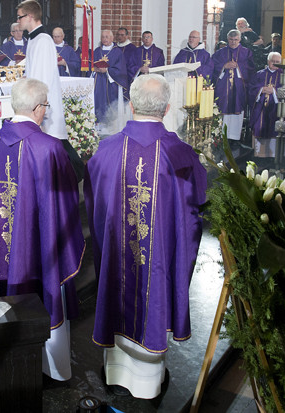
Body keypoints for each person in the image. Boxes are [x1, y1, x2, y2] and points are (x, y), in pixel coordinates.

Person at [85, 74, 206, 400]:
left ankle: (116, 373)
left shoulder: (106, 150)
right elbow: (194, 217)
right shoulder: (180, 154)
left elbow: (94, 207)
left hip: (117, 261)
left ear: (131, 105)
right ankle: (150, 381)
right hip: (157, 265)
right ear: (167, 109)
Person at [0, 78, 85, 381]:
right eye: (45, 106)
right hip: (37, 248)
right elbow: (65, 201)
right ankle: (50, 366)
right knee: (43, 283)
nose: (45, 112)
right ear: (37, 109)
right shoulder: (48, 147)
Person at [17, 0, 68, 141]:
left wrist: (38, 109)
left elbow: (43, 80)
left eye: (20, 16)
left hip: (42, 107)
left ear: (30, 17)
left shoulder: (43, 40)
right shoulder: (33, 40)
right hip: (35, 104)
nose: (18, 21)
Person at [211, 29, 255, 143]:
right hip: (223, 88)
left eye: (235, 39)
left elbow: (251, 68)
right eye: (231, 39)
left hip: (239, 87)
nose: (233, 42)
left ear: (239, 39)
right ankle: (220, 137)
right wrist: (224, 66)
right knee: (223, 111)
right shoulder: (220, 52)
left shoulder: (246, 52)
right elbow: (213, 65)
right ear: (227, 39)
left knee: (237, 110)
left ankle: (235, 138)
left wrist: (238, 66)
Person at [249, 52, 285, 159]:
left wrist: (275, 91)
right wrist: (261, 90)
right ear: (268, 61)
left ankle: (275, 156)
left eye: (277, 62)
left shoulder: (284, 76)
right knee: (260, 126)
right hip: (261, 109)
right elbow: (251, 88)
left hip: (277, 109)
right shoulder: (259, 74)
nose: (275, 64)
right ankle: (260, 154)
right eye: (273, 61)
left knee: (275, 129)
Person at [92, 29, 129, 124]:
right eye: (103, 37)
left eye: (107, 37)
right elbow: (90, 65)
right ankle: (97, 123)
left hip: (112, 83)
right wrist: (94, 69)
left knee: (110, 104)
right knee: (97, 101)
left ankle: (111, 124)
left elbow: (121, 69)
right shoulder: (97, 51)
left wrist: (107, 70)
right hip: (98, 82)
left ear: (112, 38)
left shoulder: (117, 52)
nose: (104, 39)